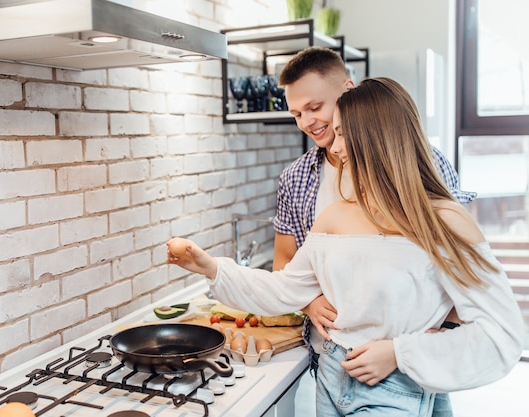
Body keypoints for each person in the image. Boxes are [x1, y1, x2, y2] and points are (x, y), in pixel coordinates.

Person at [166, 77, 524, 417]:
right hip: (331, 375)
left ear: (378, 137)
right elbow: (283, 289)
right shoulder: (335, 216)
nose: (334, 147)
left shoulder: (444, 220)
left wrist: (400, 353)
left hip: (392, 384)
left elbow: (501, 334)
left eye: (342, 133)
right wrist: (211, 267)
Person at [274, 47, 476, 416]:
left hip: (409, 364)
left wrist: (412, 347)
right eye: (297, 113)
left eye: (315, 107)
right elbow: (284, 264)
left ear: (350, 92)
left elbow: (458, 266)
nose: (306, 122)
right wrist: (308, 302)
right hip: (333, 357)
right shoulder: (296, 178)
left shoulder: (424, 164)